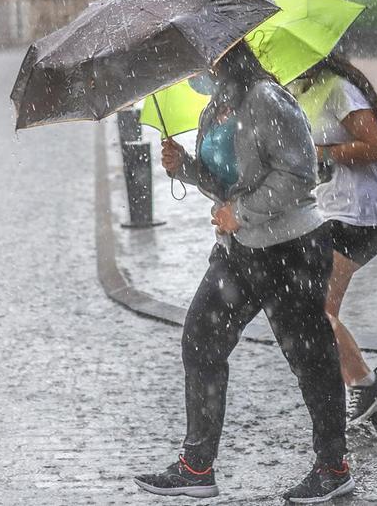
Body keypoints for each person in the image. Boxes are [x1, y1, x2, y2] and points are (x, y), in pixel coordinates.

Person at [134, 44, 354, 504]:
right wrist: (188, 170)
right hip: (239, 251)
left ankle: (333, 466)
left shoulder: (265, 99)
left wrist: (243, 213)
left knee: (308, 357)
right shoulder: (218, 105)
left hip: (289, 249)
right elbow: (227, 182)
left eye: (203, 63)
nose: (197, 72)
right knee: (201, 339)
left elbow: (299, 174)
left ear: (224, 59)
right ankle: (197, 467)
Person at [288, 53, 377, 427]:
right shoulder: (302, 91)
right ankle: (367, 398)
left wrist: (324, 153)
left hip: (358, 216)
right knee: (311, 309)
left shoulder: (339, 90)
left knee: (314, 310)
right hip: (329, 213)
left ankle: (365, 384)